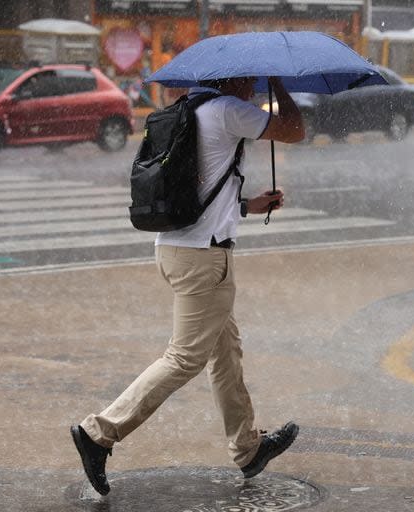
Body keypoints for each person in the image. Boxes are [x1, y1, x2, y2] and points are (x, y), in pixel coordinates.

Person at [70, 75, 305, 496]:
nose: (252, 87)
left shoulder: (190, 110)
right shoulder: (228, 111)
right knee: (184, 358)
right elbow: (294, 129)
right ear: (229, 80)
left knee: (225, 351)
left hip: (177, 248)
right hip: (203, 258)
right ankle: (98, 432)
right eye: (248, 80)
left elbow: (196, 188)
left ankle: (248, 449)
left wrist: (247, 206)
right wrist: (279, 86)